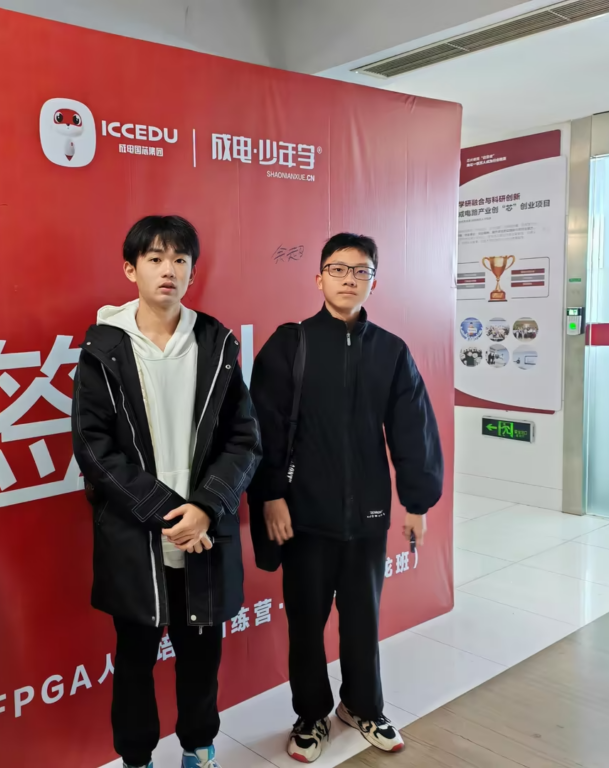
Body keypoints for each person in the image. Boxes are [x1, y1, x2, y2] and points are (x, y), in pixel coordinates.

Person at [71, 215, 261, 768]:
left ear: (193, 273)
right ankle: (137, 758)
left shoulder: (215, 342)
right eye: (154, 258)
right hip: (137, 537)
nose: (168, 270)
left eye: (180, 260)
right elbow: (92, 447)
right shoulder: (104, 347)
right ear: (130, 269)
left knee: (201, 658)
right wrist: (169, 513)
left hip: (205, 536)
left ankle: (199, 749)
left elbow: (245, 439)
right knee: (134, 660)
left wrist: (205, 507)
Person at [248, 233, 443, 762]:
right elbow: (261, 428)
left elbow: (413, 429)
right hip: (302, 515)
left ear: (374, 282)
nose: (349, 279)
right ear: (319, 278)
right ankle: (311, 715)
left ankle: (362, 706)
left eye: (361, 271)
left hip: (367, 516)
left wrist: (417, 503)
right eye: (338, 269)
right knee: (306, 624)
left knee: (362, 621)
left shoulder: (391, 351)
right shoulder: (290, 344)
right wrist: (271, 496)